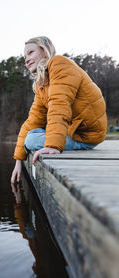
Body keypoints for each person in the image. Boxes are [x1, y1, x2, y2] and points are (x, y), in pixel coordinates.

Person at [11, 36, 107, 183]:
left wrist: (52, 145)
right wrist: (18, 161)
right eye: (24, 56)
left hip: (86, 135)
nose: (26, 59)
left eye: (31, 52)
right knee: (31, 133)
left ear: (45, 51)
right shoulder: (42, 84)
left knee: (31, 139)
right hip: (73, 131)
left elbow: (59, 105)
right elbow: (33, 120)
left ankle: (59, 141)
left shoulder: (60, 64)